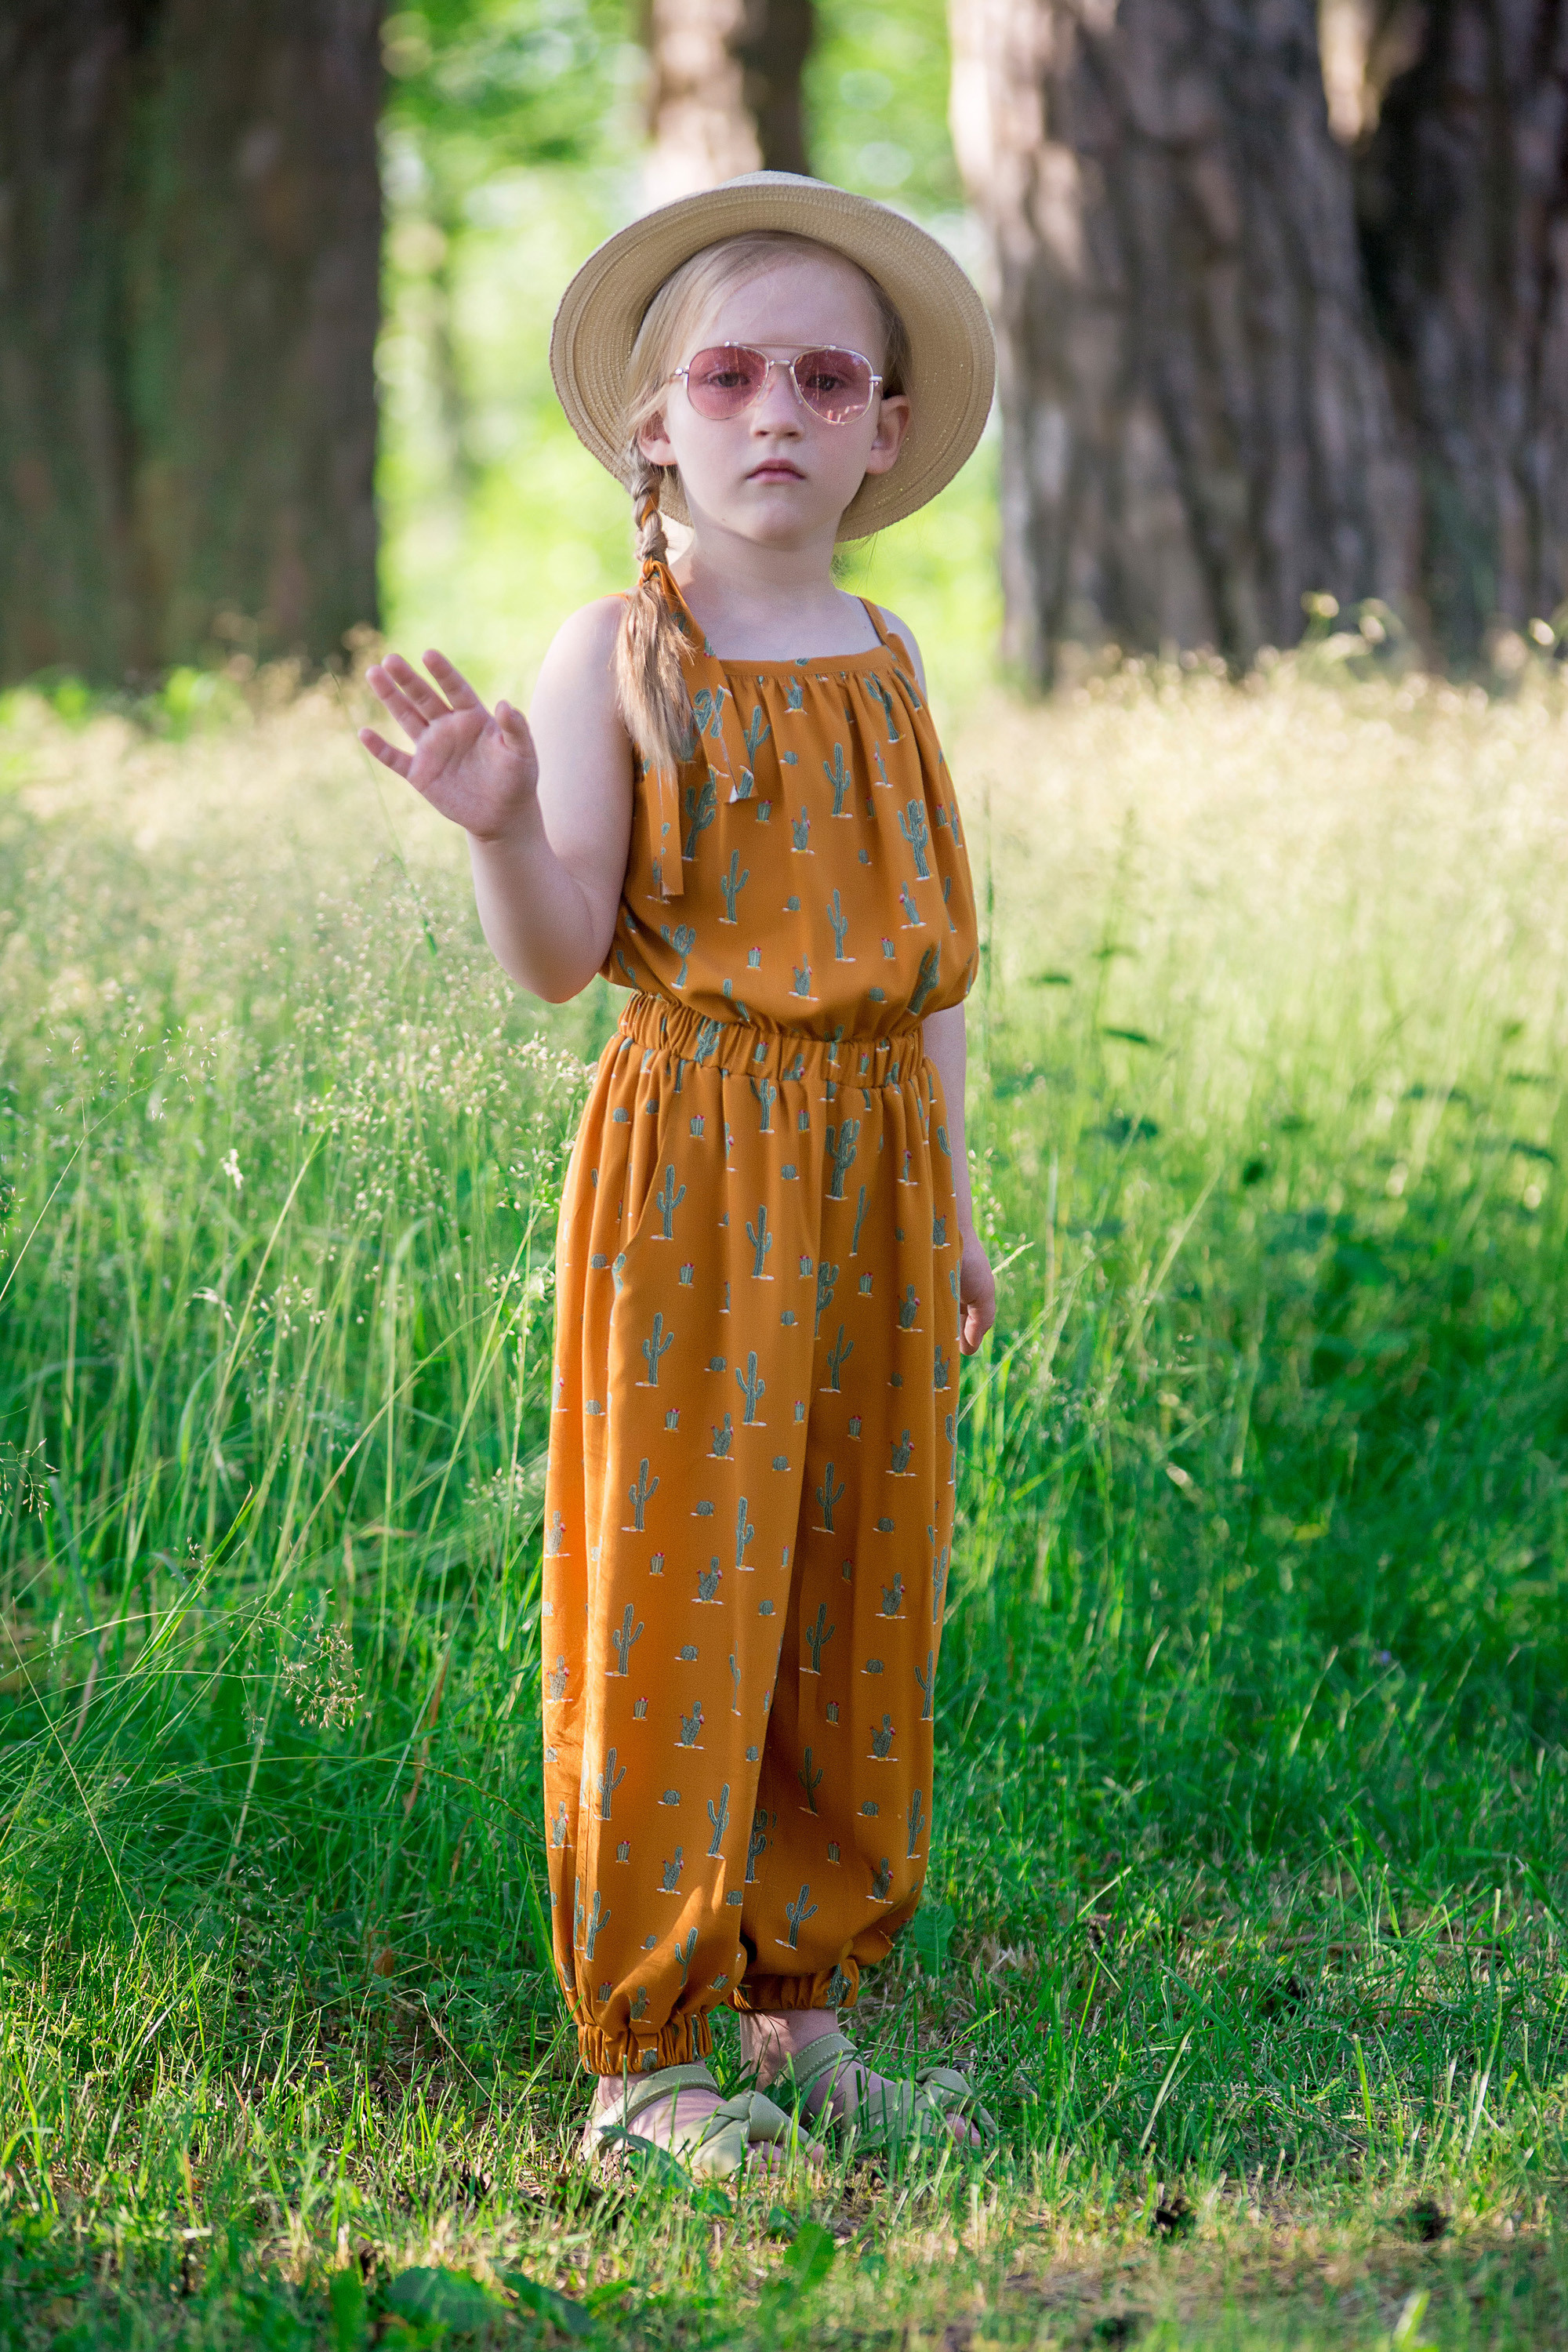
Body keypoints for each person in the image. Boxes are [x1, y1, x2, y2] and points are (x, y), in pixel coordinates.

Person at [360, 172, 1000, 2180]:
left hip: (878, 1164)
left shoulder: (886, 652)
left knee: (847, 1578)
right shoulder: (623, 650)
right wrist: (495, 826)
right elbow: (564, 956)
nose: (776, 412)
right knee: (679, 1582)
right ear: (655, 422)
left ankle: (798, 2005)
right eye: (727, 376)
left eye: (827, 377)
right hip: (699, 1165)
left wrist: (960, 1201)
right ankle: (645, 2053)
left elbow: (930, 975)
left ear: (886, 431)